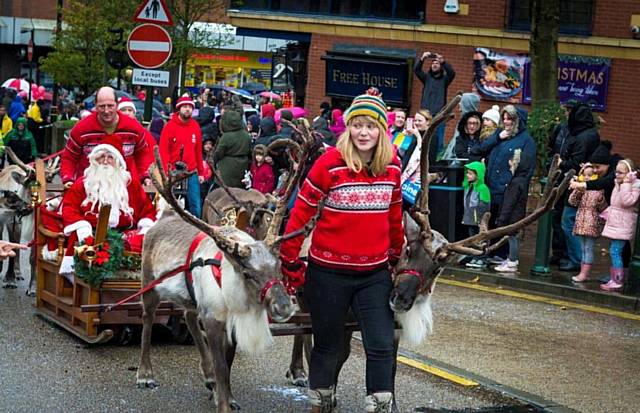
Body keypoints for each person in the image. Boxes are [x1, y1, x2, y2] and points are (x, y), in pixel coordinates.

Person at [279, 94, 403, 413]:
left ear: (381, 130)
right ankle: (320, 401)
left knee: (381, 342)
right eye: (357, 125)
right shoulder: (330, 163)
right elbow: (301, 214)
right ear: (348, 129)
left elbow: (394, 216)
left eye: (371, 126)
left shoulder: (392, 166)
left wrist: (396, 257)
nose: (364, 132)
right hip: (328, 272)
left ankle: (379, 404)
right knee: (328, 345)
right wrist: (289, 260)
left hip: (374, 274)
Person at [59, 143, 156, 278]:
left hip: (124, 234)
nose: (105, 161)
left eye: (110, 157)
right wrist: (82, 227)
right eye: (101, 157)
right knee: (81, 242)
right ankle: (84, 283)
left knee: (145, 241)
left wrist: (145, 226)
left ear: (117, 161)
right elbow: (69, 207)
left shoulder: (129, 183)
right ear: (94, 160)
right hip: (91, 232)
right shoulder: (84, 183)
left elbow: (147, 209)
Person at [471, 105, 536, 263]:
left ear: (517, 121)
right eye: (504, 118)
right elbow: (478, 150)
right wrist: (497, 137)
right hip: (491, 187)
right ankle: (489, 253)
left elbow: (526, 169)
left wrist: (513, 187)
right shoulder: (500, 135)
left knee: (504, 222)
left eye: (510, 119)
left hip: (508, 189)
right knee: (490, 222)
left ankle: (503, 254)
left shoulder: (527, 141)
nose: (506, 122)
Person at [61, 87, 153, 187]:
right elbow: (69, 157)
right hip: (88, 188)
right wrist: (68, 178)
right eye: (102, 106)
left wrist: (145, 175)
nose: (106, 111)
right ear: (95, 106)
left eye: (110, 106)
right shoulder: (81, 129)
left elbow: (143, 154)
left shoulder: (134, 128)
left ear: (117, 105)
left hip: (125, 187)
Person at [159, 95, 205, 218]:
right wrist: (165, 171)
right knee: (172, 203)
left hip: (191, 171)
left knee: (195, 204)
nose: (187, 109)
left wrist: (201, 172)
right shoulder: (169, 126)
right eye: (185, 107)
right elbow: (163, 151)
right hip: (173, 172)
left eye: (190, 107)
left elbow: (198, 151)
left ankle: (196, 228)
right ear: (179, 109)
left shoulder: (195, 126)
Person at [599, 159, 640, 291]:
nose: (617, 175)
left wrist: (626, 184)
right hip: (616, 222)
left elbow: (627, 201)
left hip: (624, 222)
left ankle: (618, 280)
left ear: (630, 173)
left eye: (621, 172)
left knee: (615, 251)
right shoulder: (619, 184)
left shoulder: (634, 185)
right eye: (616, 171)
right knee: (615, 251)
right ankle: (615, 278)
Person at [493, 149, 533, 272]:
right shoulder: (522, 181)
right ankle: (512, 259)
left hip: (512, 216)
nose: (509, 164)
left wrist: (501, 219)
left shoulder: (515, 182)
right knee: (513, 236)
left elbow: (509, 203)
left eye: (512, 161)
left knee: (512, 237)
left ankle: (512, 261)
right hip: (517, 214)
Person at [567, 163, 607, 282]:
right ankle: (583, 271)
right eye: (585, 176)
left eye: (590, 176)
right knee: (583, 247)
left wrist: (600, 199)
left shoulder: (597, 191)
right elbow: (572, 201)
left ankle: (584, 273)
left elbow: (602, 206)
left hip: (591, 224)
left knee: (588, 248)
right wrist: (577, 190)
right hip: (581, 223)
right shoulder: (582, 190)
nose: (587, 178)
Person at [413, 51, 455, 155]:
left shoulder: (445, 79)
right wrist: (422, 59)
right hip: (425, 114)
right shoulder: (427, 78)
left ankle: (436, 158)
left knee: (438, 140)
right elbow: (417, 70)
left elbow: (452, 73)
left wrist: (443, 62)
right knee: (422, 136)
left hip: (439, 115)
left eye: (437, 63)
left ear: (440, 66)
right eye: (432, 63)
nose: (434, 64)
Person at [462, 161, 491, 269]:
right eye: (467, 173)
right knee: (473, 240)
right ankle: (476, 256)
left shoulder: (483, 188)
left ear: (477, 175)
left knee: (482, 239)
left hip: (479, 220)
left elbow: (485, 206)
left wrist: (481, 221)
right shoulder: (468, 187)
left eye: (470, 173)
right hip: (470, 218)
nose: (467, 175)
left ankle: (482, 258)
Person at [213, 109, 252, 189]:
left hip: (227, 168)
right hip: (242, 166)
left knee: (224, 193)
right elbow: (250, 152)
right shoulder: (246, 135)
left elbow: (219, 154)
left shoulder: (226, 137)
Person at [400, 109, 433, 186]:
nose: (417, 123)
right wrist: (403, 137)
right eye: (415, 120)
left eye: (420, 121)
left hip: (418, 178)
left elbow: (424, 155)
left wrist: (418, 136)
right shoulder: (413, 135)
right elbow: (400, 153)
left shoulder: (432, 136)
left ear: (427, 122)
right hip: (405, 174)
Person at [444, 92, 480, 159]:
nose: (459, 106)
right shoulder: (462, 121)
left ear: (467, 104)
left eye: (462, 103)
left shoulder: (473, 124)